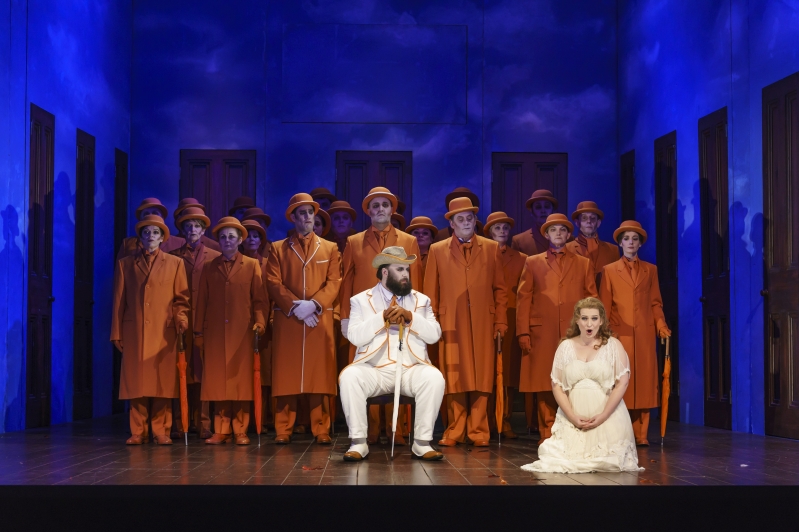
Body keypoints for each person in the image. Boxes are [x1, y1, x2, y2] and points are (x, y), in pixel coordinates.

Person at [340, 246, 445, 461]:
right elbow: (355, 336)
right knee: (349, 376)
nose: (406, 275)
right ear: (385, 272)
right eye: (400, 269)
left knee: (434, 377)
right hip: (374, 370)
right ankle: (359, 442)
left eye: (407, 270)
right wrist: (382, 318)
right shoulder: (360, 300)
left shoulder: (421, 301)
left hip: (410, 369)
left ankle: (422, 443)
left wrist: (410, 317)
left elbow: (434, 335)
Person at [520, 298, 643, 473]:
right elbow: (557, 386)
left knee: (608, 461)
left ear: (601, 321)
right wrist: (572, 416)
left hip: (607, 417)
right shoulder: (565, 347)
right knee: (561, 461)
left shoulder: (613, 346)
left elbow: (622, 383)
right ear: (577, 320)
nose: (589, 323)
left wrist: (603, 415)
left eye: (594, 318)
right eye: (584, 318)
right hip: (572, 417)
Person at [339, 186, 422, 445]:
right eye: (375, 206)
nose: (380, 210)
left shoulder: (408, 241)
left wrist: (413, 314)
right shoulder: (354, 242)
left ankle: (397, 429)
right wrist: (344, 317)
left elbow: (414, 281)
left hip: (399, 313)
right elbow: (346, 282)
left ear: (392, 209)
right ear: (368, 211)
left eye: (384, 205)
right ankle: (372, 431)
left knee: (398, 366)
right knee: (370, 368)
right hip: (367, 316)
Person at [425, 197, 508, 447]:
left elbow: (500, 290)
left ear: (475, 221)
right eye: (459, 219)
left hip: (484, 318)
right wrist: (432, 323)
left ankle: (479, 430)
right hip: (451, 320)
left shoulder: (491, 247)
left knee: (483, 374)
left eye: (469, 218)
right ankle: (455, 429)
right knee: (454, 374)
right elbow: (430, 292)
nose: (465, 223)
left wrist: (500, 323)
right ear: (451, 223)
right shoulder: (437, 250)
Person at [265, 193, 342, 444]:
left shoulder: (330, 248)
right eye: (302, 213)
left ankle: (321, 428)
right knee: (287, 376)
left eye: (311, 212)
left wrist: (314, 305)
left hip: (318, 318)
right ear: (293, 217)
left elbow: (334, 282)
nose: (307, 217)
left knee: (318, 375)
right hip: (290, 320)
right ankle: (283, 429)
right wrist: (295, 307)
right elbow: (273, 282)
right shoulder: (277, 248)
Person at [516, 214, 597, 443]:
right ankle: (547, 431)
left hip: (574, 333)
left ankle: (570, 429)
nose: (558, 234)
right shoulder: (532, 262)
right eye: (553, 230)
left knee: (573, 379)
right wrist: (523, 331)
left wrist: (592, 330)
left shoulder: (583, 263)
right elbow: (524, 298)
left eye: (562, 230)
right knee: (545, 382)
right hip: (542, 331)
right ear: (546, 234)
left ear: (569, 234)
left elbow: (592, 298)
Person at [111, 214, 190, 445]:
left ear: (162, 237)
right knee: (136, 382)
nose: (150, 236)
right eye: (146, 232)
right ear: (140, 237)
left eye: (155, 233)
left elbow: (181, 299)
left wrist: (181, 320)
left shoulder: (175, 263)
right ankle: (138, 430)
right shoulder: (125, 264)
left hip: (164, 331)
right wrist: (116, 332)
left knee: (161, 382)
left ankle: (161, 430)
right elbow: (118, 301)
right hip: (134, 330)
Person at [194, 217, 268, 445]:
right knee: (218, 382)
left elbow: (259, 300)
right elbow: (202, 301)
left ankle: (240, 429)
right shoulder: (209, 267)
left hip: (241, 332)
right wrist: (198, 332)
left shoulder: (251, 265)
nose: (227, 241)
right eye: (223, 237)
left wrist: (260, 322)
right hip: (215, 332)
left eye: (232, 237)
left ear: (240, 240)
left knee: (240, 381)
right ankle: (221, 429)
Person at [599, 220, 671, 446]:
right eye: (626, 239)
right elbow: (605, 306)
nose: (631, 242)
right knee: (622, 381)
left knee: (646, 382)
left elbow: (655, 302)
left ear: (640, 244)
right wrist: (607, 333)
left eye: (635, 239)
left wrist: (660, 325)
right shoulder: (609, 271)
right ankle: (622, 432)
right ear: (620, 243)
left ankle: (641, 434)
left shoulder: (651, 270)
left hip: (645, 334)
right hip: (621, 335)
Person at [169, 207, 220, 440]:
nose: (192, 230)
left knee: (205, 372)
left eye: (197, 226)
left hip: (205, 320)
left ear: (203, 230)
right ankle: (180, 423)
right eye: (188, 226)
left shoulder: (213, 255)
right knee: (180, 370)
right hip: (180, 319)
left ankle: (204, 422)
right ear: (182, 229)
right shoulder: (174, 255)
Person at [484, 211, 527, 439]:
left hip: (509, 315)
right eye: (497, 228)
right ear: (490, 232)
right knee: (485, 372)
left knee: (507, 371)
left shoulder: (521, 258)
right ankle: (486, 419)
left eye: (504, 228)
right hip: (485, 316)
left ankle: (505, 420)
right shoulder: (483, 254)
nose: (501, 231)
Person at [241, 219, 275, 434]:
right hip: (243, 324)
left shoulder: (267, 262)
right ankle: (249, 419)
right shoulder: (238, 262)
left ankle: (265, 419)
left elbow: (271, 294)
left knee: (266, 374)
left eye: (256, 236)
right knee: (245, 373)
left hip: (266, 324)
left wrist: (268, 320)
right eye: (248, 235)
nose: (252, 239)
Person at [565, 201, 619, 289]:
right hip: (578, 301)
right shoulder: (567, 249)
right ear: (577, 222)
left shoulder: (613, 250)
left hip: (604, 301)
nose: (589, 221)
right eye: (584, 218)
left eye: (593, 218)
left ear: (598, 222)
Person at [117, 198, 185, 259]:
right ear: (140, 219)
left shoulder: (179, 243)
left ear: (163, 218)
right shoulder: (128, 244)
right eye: (146, 214)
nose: (151, 217)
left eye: (155, 213)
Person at [511, 189, 557, 256]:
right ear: (531, 212)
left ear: (553, 211)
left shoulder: (568, 238)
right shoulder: (519, 241)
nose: (543, 211)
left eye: (547, 206)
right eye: (538, 207)